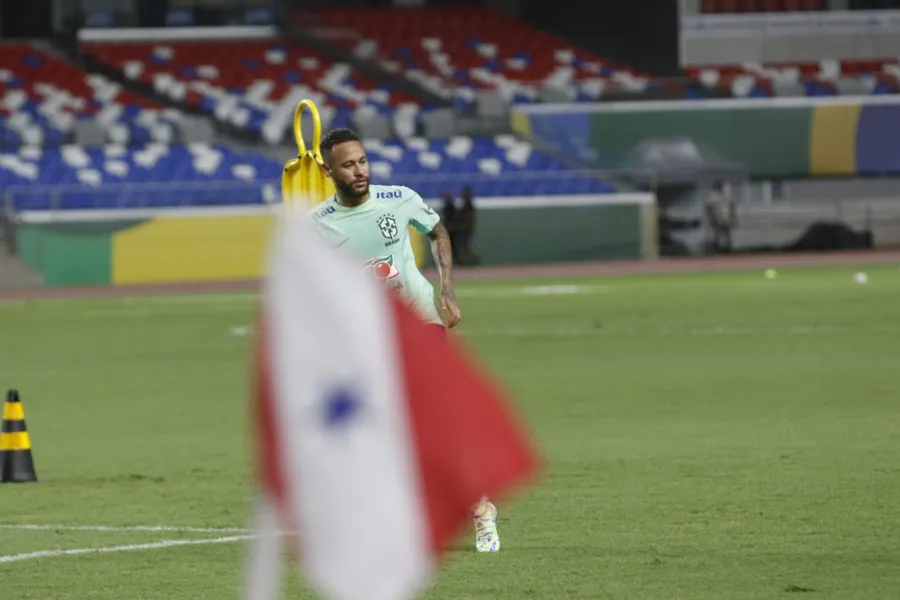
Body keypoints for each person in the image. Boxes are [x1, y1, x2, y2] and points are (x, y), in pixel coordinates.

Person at [308, 128, 502, 553]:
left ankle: (480, 510)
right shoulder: (316, 225)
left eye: (362, 161)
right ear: (328, 170)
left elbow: (438, 232)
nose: (359, 170)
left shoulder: (399, 198)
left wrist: (447, 286)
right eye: (347, 164)